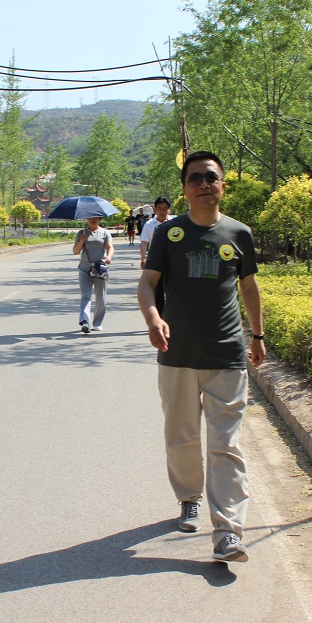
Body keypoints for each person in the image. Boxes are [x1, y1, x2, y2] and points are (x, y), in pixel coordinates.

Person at [137, 151, 266, 563]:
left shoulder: (239, 233)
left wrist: (258, 335)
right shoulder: (169, 233)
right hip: (175, 354)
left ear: (223, 184)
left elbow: (249, 287)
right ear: (184, 189)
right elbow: (147, 283)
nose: (203, 184)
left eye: (211, 177)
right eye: (195, 179)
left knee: (226, 444)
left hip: (226, 354)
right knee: (182, 438)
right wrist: (153, 318)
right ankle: (189, 498)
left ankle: (228, 532)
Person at [72, 216, 114, 333]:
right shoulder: (81, 233)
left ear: (99, 219)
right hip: (85, 269)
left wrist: (109, 257)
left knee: (101, 297)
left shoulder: (105, 233)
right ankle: (84, 321)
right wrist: (81, 241)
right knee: (85, 295)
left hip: (100, 269)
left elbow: (110, 247)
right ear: (87, 219)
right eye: (90, 218)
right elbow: (75, 251)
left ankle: (97, 323)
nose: (93, 220)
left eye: (96, 217)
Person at [139, 196, 175, 270]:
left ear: (168, 210)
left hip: (172, 260)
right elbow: (144, 243)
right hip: (154, 259)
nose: (162, 212)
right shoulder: (149, 224)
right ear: (155, 209)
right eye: (159, 209)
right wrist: (143, 258)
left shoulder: (174, 224)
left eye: (165, 209)